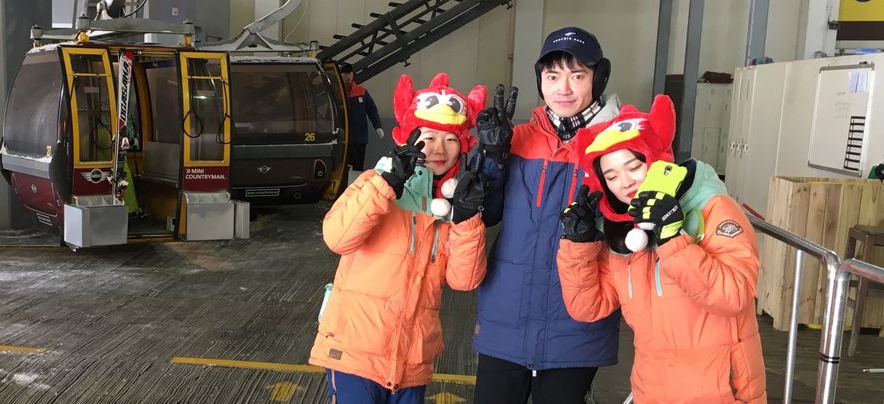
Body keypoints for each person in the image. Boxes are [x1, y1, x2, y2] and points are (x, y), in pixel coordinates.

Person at [557, 95, 767, 403]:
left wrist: (672, 238)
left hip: (721, 391)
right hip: (651, 389)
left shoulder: (713, 209)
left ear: (656, 161)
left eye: (633, 166)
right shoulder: (621, 233)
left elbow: (734, 294)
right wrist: (579, 244)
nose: (625, 183)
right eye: (611, 176)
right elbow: (588, 307)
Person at [310, 73, 489, 403]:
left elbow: (464, 280)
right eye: (429, 136)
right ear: (410, 137)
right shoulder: (375, 182)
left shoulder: (452, 206)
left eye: (450, 139)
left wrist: (467, 219)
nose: (438, 148)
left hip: (411, 361)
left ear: (463, 146)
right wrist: (385, 183)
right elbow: (337, 238)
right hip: (354, 353)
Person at [472, 26, 622, 403]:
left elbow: (632, 232)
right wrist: (491, 158)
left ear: (598, 78)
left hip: (576, 321)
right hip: (506, 316)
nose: (564, 88)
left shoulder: (619, 145)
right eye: (552, 76)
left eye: (578, 75)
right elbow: (485, 214)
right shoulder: (517, 138)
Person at [341, 63, 385, 171]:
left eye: (350, 73)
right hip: (345, 138)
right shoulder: (337, 93)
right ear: (341, 75)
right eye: (346, 73)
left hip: (361, 137)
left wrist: (377, 126)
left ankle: (356, 185)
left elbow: (372, 110)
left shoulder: (361, 91)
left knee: (359, 165)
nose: (349, 76)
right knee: (349, 164)